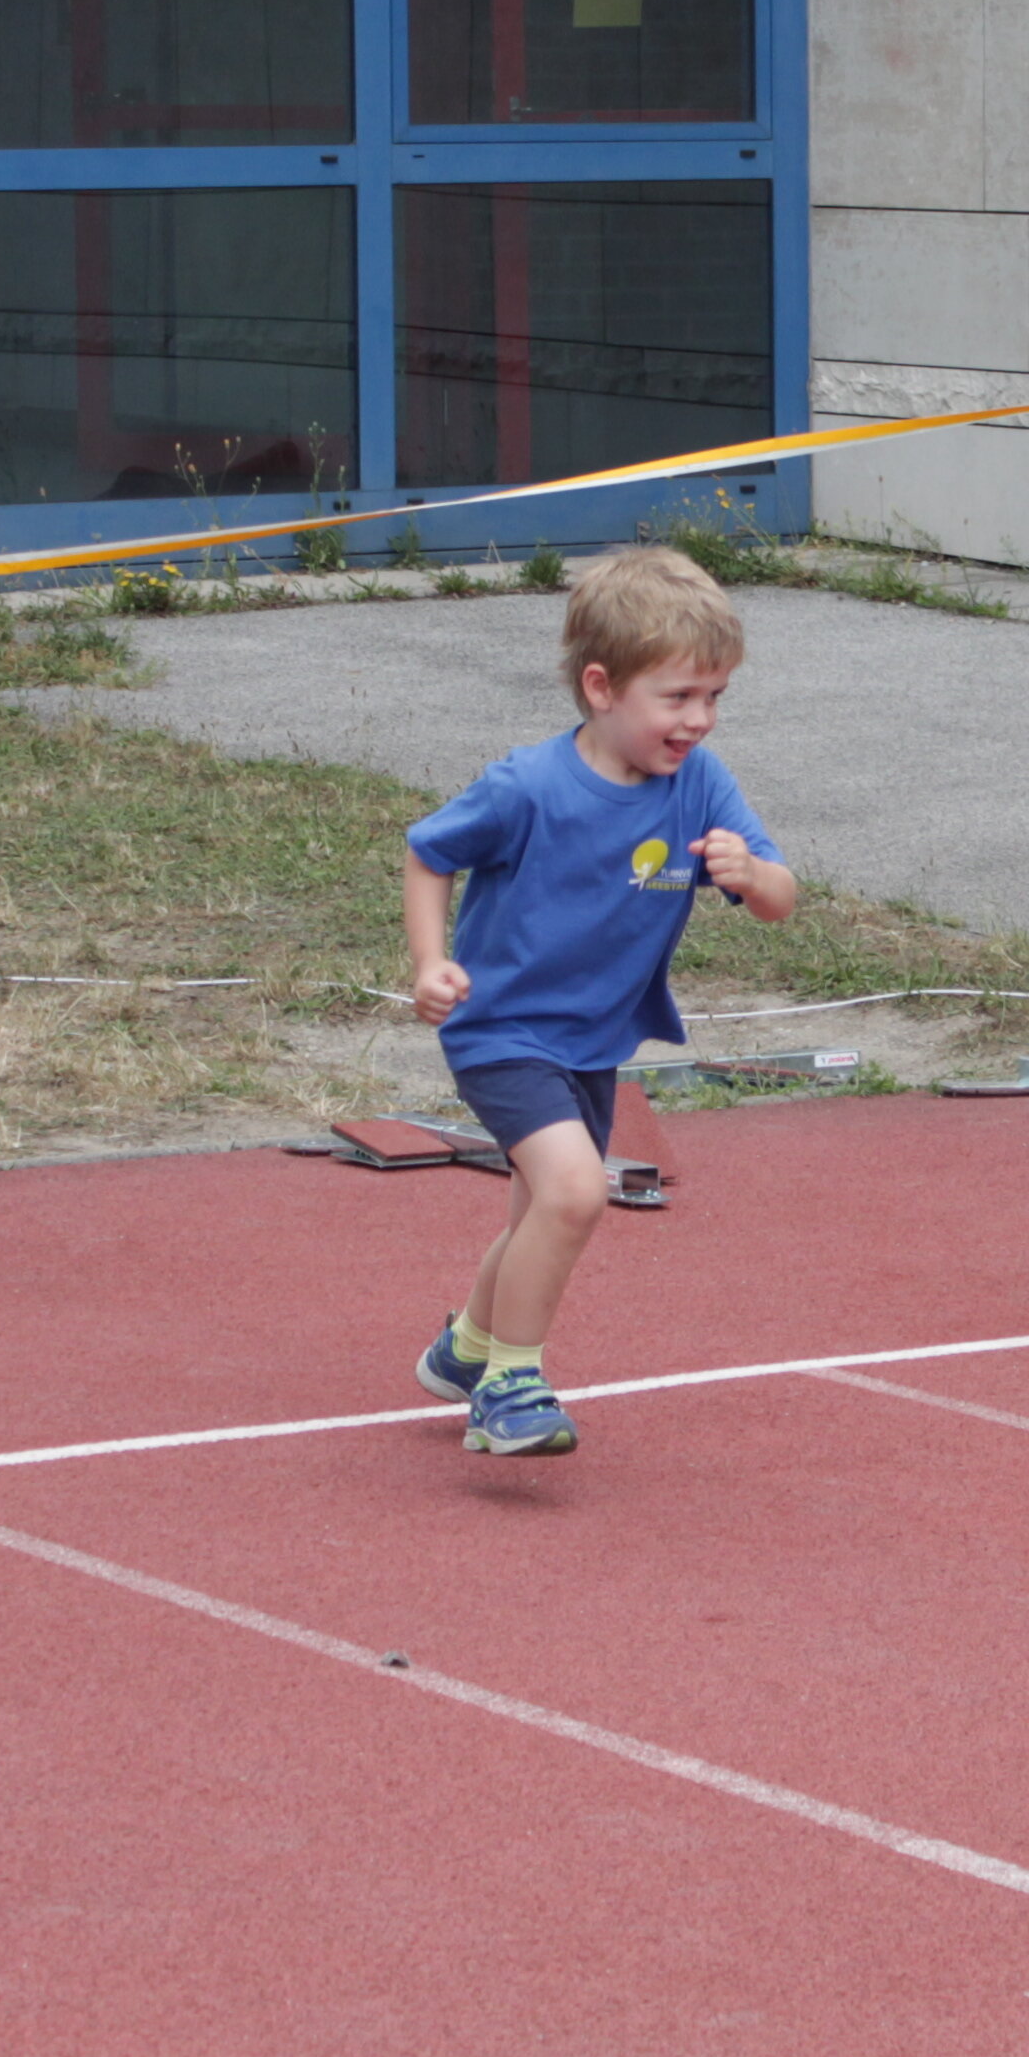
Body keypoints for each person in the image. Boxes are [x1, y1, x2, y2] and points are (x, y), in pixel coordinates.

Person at [403, 544, 794, 1456]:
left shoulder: (700, 784)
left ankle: (465, 1349)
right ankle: (510, 1387)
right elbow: (429, 852)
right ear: (601, 687)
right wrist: (430, 965)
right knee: (576, 1194)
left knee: (538, 1212)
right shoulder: (527, 786)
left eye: (715, 697)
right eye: (679, 696)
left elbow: (780, 899)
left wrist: (754, 873)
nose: (699, 719)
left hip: (596, 1042)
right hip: (501, 1032)